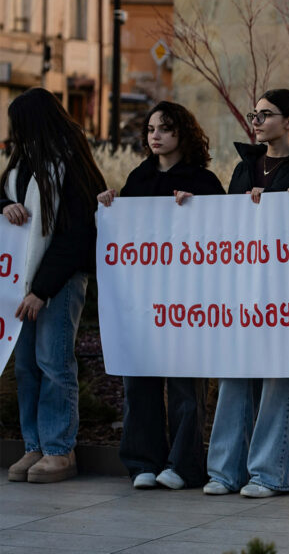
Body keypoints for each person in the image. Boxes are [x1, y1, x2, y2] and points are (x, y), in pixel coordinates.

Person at [203, 88, 289, 498]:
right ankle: (224, 471)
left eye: (265, 115)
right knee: (235, 376)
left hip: (288, 291)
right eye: (253, 115)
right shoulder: (246, 167)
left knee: (280, 378)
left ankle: (269, 473)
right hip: (243, 287)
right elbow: (226, 224)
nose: (256, 122)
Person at [96, 101, 225, 490]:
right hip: (144, 299)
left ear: (182, 133)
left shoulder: (203, 182)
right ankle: (142, 462)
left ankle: (184, 465)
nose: (156, 135)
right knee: (140, 382)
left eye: (165, 128)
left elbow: (223, 236)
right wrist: (109, 207)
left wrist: (196, 211)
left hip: (188, 300)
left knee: (186, 384)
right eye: (151, 128)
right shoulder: (138, 178)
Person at [2, 88, 107, 483]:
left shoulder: (70, 165)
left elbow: (77, 235)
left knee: (53, 362)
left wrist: (41, 289)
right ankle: (35, 445)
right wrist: (3, 206)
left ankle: (60, 450)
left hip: (57, 283)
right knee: (27, 367)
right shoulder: (23, 164)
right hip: (22, 284)